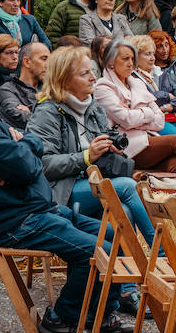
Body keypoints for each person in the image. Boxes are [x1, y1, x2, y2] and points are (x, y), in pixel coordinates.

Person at [0, 53, 129, 333]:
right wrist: (27, 144)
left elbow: (25, 163)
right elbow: (29, 166)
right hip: (20, 221)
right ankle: (61, 319)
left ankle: (98, 315)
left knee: (112, 234)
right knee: (97, 251)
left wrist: (21, 147)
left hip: (36, 209)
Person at [27, 45, 154, 253]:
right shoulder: (46, 113)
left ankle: (124, 282)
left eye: (92, 72)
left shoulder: (93, 107)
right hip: (60, 191)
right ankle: (160, 254)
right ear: (64, 79)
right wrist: (86, 156)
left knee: (123, 211)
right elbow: (42, 164)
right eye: (84, 73)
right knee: (125, 185)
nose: (93, 78)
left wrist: (111, 150)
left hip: (93, 183)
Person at [94, 38, 176, 186]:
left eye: (132, 59)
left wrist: (137, 116)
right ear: (110, 61)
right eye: (125, 59)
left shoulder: (136, 83)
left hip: (146, 138)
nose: (130, 63)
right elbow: (127, 119)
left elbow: (159, 120)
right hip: (125, 147)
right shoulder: (103, 88)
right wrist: (147, 114)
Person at [0, 40, 48, 129]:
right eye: (44, 59)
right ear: (27, 61)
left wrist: (31, 111)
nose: (48, 64)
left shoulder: (50, 88)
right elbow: (22, 119)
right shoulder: (7, 90)